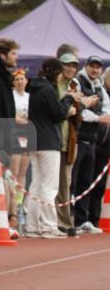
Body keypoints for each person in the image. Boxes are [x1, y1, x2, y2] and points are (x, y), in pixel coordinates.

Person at [24, 58, 80, 239]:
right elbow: (57, 114)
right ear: (56, 73)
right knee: (49, 186)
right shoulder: (48, 89)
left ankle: (32, 225)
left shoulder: (34, 88)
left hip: (35, 140)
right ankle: (49, 226)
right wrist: (69, 101)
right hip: (49, 142)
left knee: (36, 184)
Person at [72, 55, 110, 233]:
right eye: (92, 66)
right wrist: (98, 118)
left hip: (92, 141)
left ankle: (82, 220)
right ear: (86, 66)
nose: (95, 70)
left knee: (86, 182)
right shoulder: (78, 82)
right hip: (78, 139)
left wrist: (99, 117)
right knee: (73, 180)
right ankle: (68, 219)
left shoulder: (99, 88)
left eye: (98, 67)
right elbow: (79, 111)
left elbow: (107, 110)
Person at [56, 52, 83, 236]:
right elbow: (57, 111)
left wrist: (83, 104)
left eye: (74, 66)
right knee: (52, 185)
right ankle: (56, 221)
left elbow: (75, 112)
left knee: (66, 183)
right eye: (67, 65)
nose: (71, 69)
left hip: (69, 140)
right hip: (54, 140)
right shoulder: (54, 86)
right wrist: (70, 110)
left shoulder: (73, 85)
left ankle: (64, 221)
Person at [11, 68, 31, 195]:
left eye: (21, 79)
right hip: (15, 133)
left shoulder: (30, 97)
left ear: (26, 81)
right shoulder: (10, 96)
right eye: (16, 79)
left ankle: (19, 203)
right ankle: (11, 204)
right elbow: (11, 115)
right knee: (14, 171)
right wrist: (24, 120)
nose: (19, 82)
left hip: (28, 134)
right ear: (13, 82)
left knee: (23, 171)